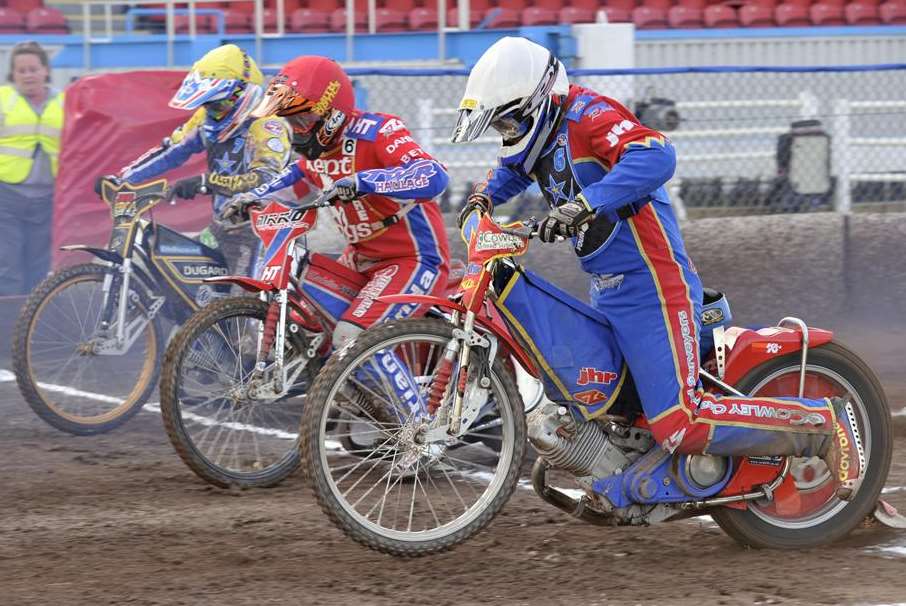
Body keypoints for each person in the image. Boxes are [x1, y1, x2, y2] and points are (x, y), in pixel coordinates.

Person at [450, 36, 863, 500]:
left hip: (654, 284)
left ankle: (820, 424)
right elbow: (511, 167)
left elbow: (657, 154)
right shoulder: (539, 135)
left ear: (537, 101)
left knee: (677, 421)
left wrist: (588, 202)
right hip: (607, 287)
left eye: (509, 118)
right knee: (617, 408)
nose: (506, 129)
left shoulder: (590, 116)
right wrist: (481, 199)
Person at [230, 55, 450, 351]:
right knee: (313, 324)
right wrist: (253, 198)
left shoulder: (380, 131)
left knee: (350, 338)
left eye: (302, 119)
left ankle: (409, 400)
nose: (297, 129)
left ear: (330, 111)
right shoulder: (318, 154)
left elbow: (435, 176)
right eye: (290, 121)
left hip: (413, 260)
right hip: (359, 259)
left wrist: (364, 182)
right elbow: (297, 178)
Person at [96, 44, 293, 279]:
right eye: (207, 104)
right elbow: (171, 151)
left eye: (216, 103)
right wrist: (122, 178)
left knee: (239, 307)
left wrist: (206, 182)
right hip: (222, 227)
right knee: (177, 281)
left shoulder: (268, 125)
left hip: (262, 231)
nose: (211, 111)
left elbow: (267, 179)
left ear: (240, 94)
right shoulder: (206, 118)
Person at [0, 41, 64, 296]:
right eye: (21, 70)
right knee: (7, 266)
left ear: (45, 71)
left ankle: (32, 328)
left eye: (33, 69)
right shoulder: (3, 100)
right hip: (6, 197)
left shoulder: (65, 102)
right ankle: (7, 330)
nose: (28, 75)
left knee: (39, 269)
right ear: (13, 74)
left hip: (48, 199)